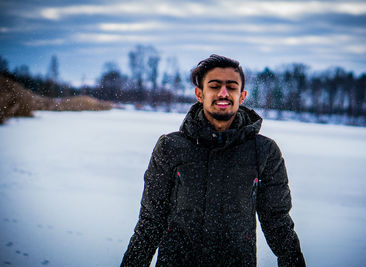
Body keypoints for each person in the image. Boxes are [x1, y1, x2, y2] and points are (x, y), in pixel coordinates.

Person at [121, 54, 306, 267]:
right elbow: (150, 222)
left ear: (242, 95)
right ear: (199, 94)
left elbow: (278, 223)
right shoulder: (170, 147)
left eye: (232, 87)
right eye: (215, 86)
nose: (224, 93)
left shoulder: (264, 152)